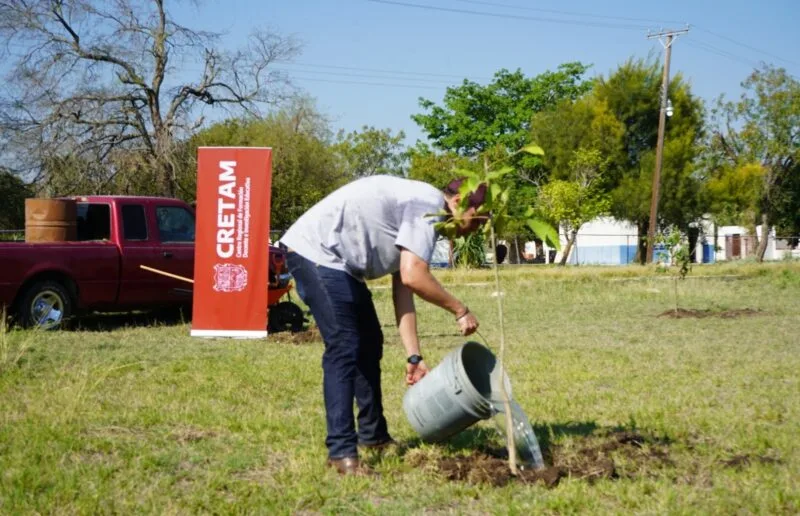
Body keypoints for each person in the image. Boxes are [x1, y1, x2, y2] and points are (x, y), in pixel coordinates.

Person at [279, 175, 485, 476]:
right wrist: (460, 310)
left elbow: (405, 287)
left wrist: (414, 356)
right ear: (457, 202)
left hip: (341, 266)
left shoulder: (426, 212)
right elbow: (415, 276)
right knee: (344, 346)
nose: (481, 226)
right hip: (316, 252)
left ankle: (373, 437)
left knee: (369, 343)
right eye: (478, 217)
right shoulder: (427, 207)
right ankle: (340, 452)